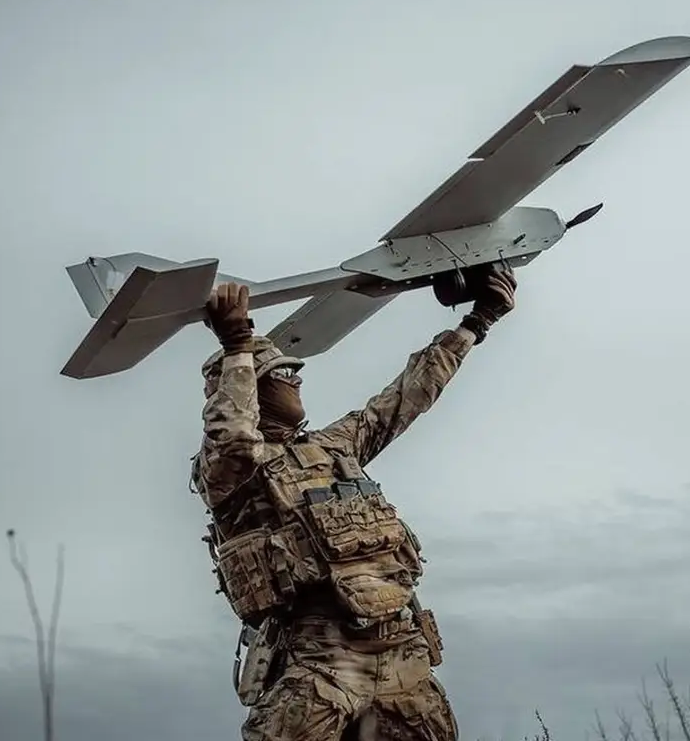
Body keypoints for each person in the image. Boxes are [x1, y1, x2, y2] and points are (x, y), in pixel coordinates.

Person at [192, 264, 518, 741]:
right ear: (250, 389)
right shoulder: (231, 473)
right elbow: (234, 437)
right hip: (321, 662)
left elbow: (406, 396)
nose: (295, 379)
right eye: (280, 373)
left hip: (402, 653)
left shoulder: (333, 448)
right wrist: (237, 345)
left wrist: (478, 321)